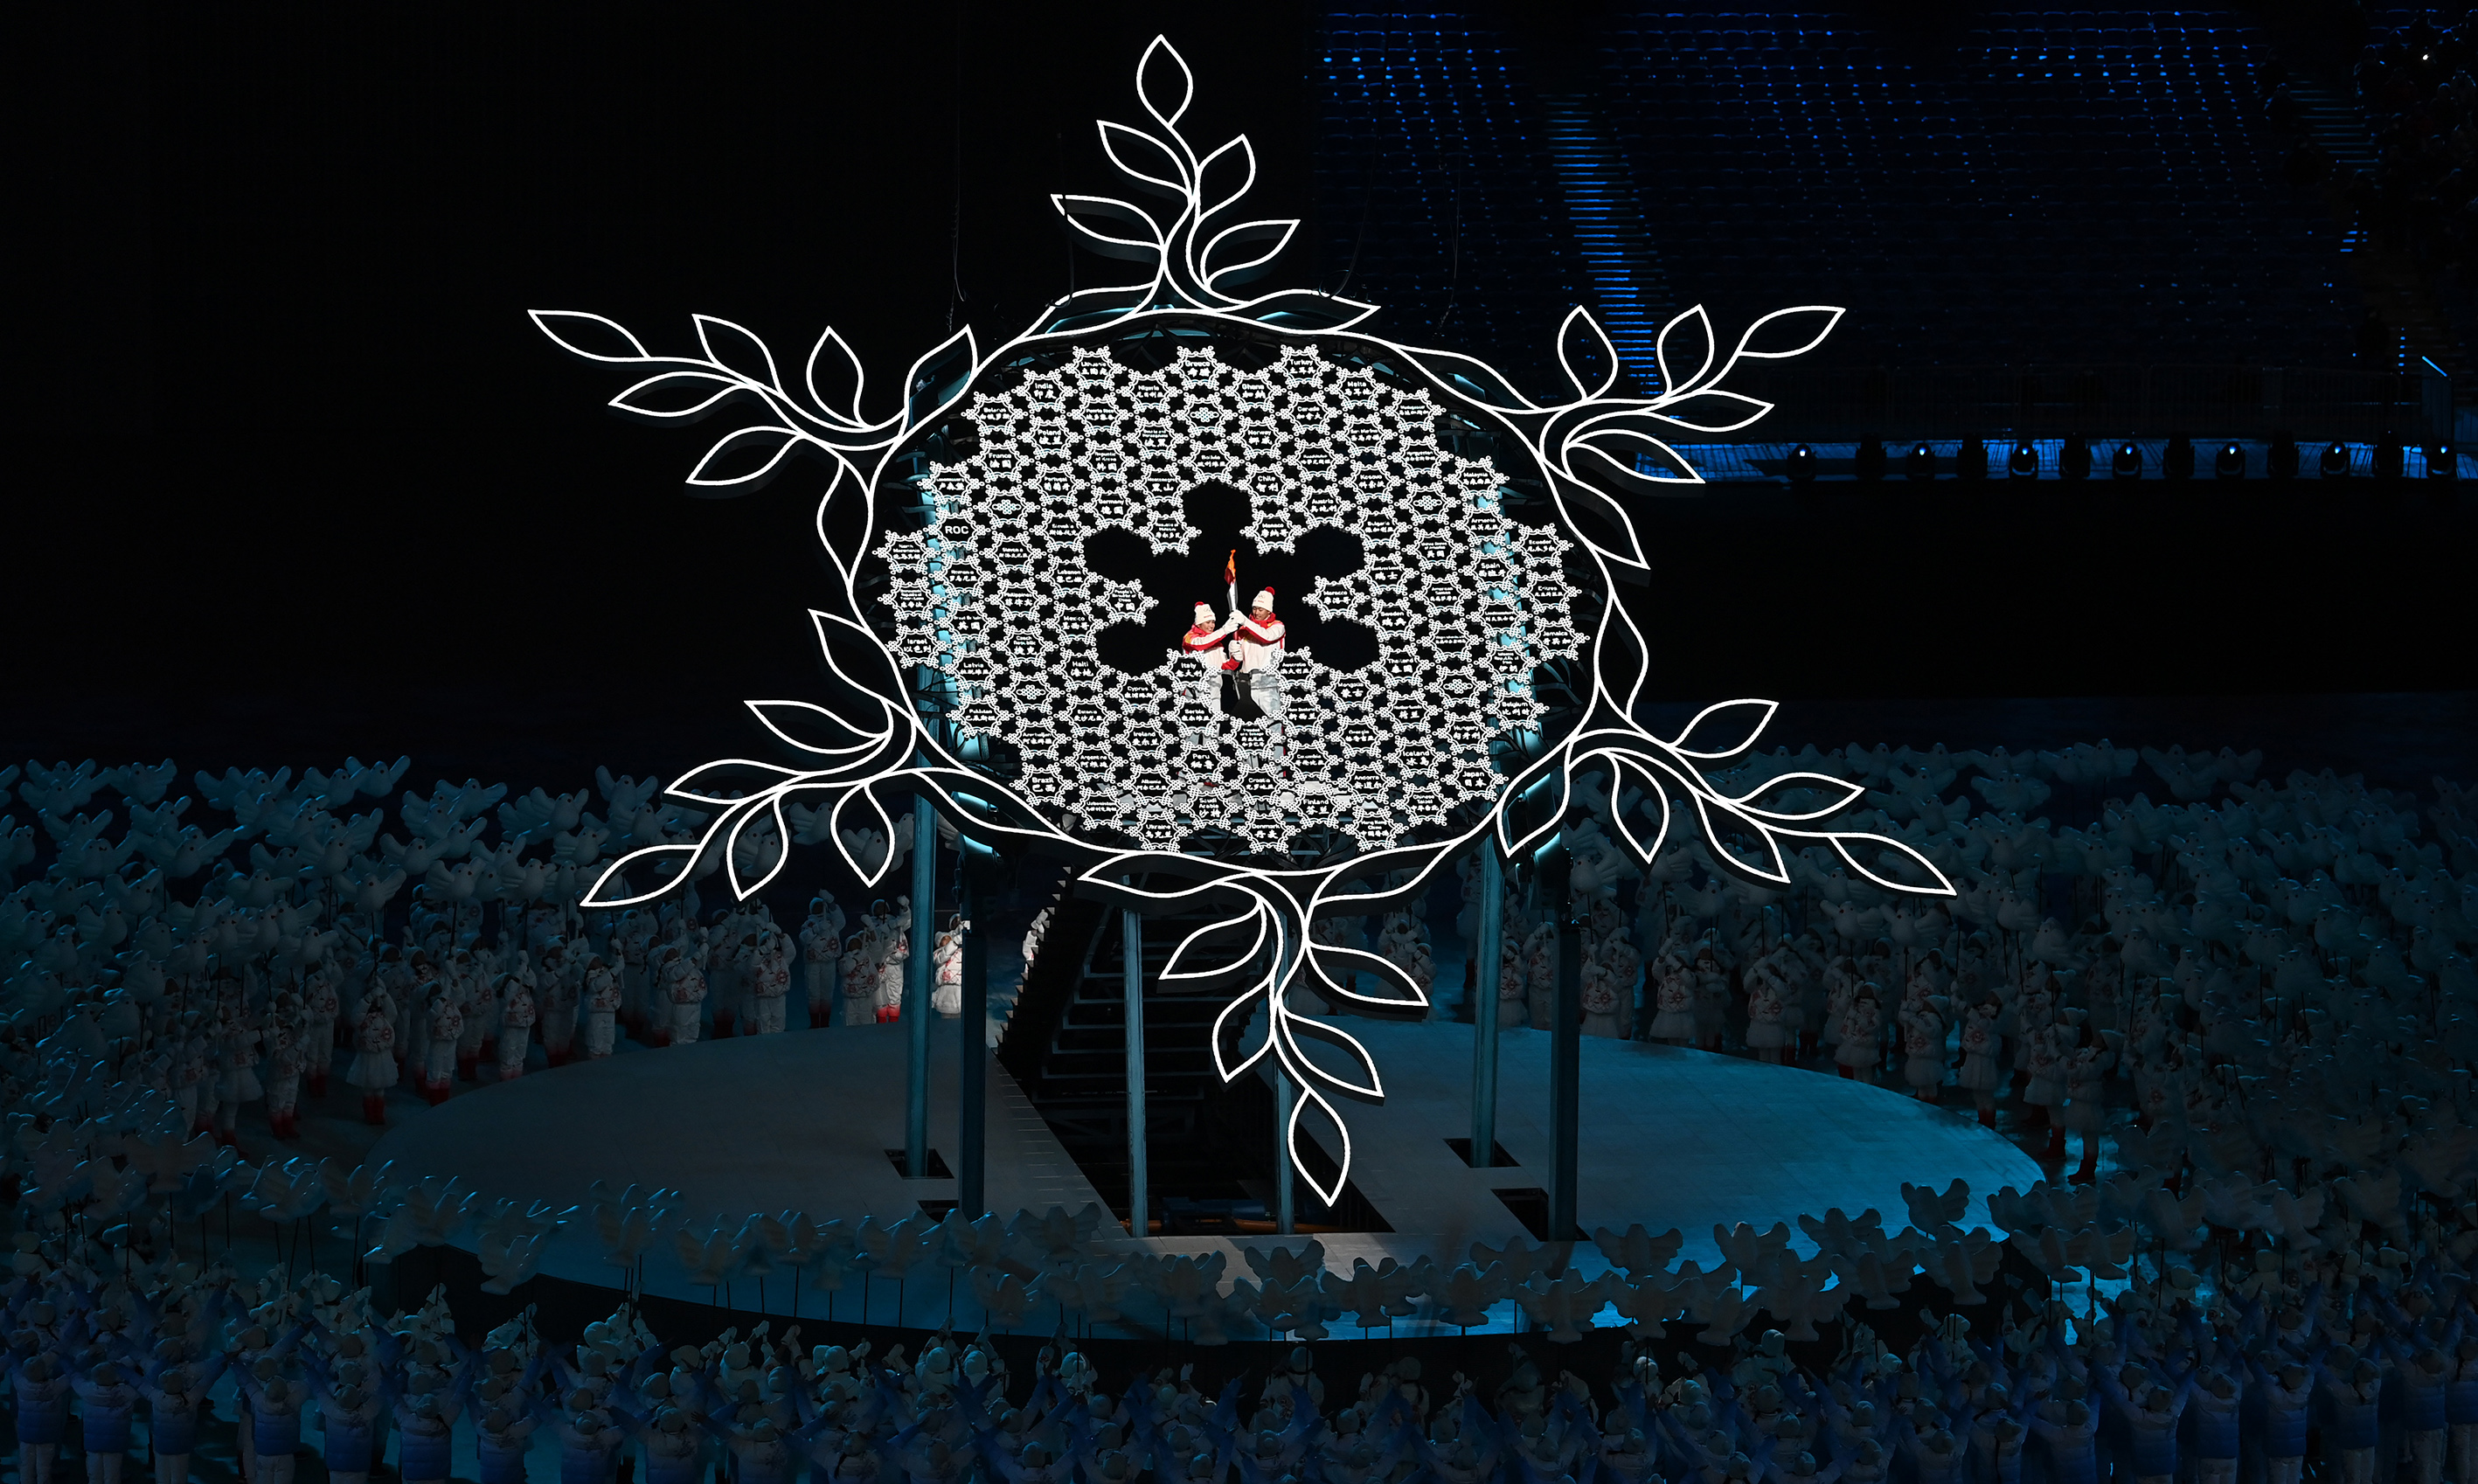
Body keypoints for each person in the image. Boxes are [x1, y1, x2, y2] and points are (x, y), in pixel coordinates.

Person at [1211, 588, 1287, 725]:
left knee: (1272, 725)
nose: (1256, 612)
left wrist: (1245, 621)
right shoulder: (1244, 631)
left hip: (1268, 685)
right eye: (1254, 608)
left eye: (1260, 609)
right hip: (1246, 685)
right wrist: (1234, 654)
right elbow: (1236, 662)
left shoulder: (1277, 626)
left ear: (1269, 611)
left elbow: (1267, 637)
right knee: (1249, 728)